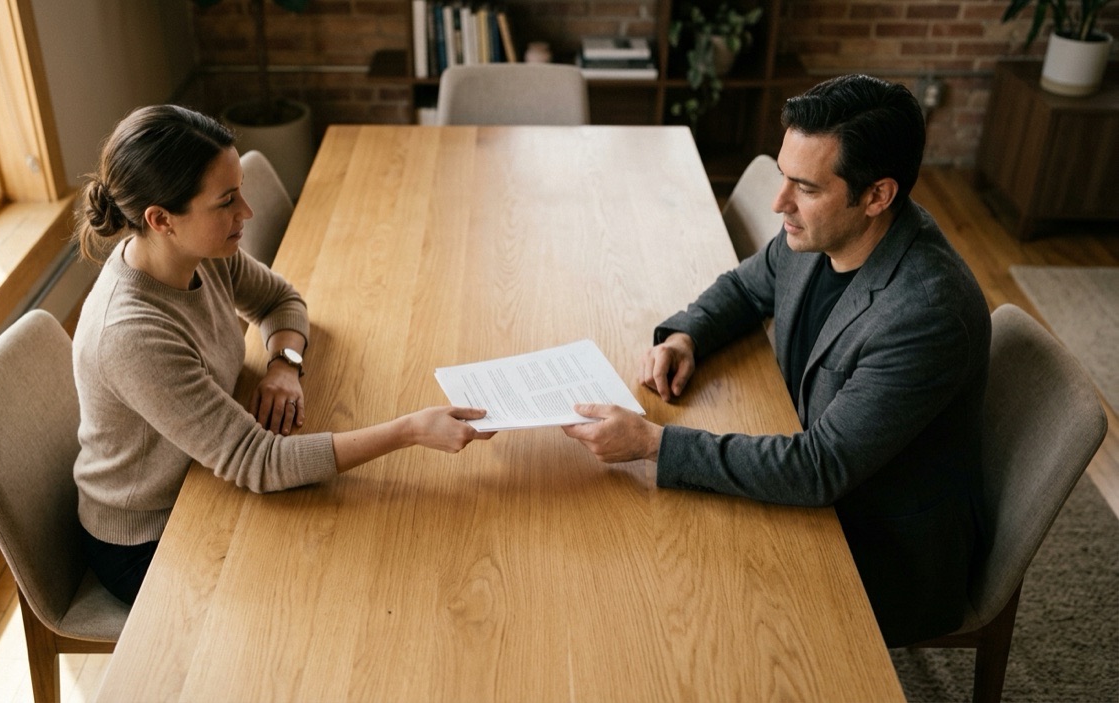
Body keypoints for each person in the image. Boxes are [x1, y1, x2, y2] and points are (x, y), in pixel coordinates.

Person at [561, 74, 991, 647]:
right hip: (817, 477)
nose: (779, 202)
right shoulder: (820, 235)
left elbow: (819, 469)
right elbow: (745, 289)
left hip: (878, 547)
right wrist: (686, 336)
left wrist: (652, 444)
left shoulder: (925, 312)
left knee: (666, 606)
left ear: (877, 196)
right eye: (784, 177)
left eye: (805, 187)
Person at [72, 105, 493, 605]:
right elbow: (261, 463)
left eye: (242, 192)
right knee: (339, 591)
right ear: (161, 219)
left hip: (208, 475)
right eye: (227, 201)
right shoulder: (131, 334)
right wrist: (409, 430)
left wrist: (284, 365)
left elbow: (281, 300)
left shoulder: (199, 255)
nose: (244, 213)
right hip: (153, 532)